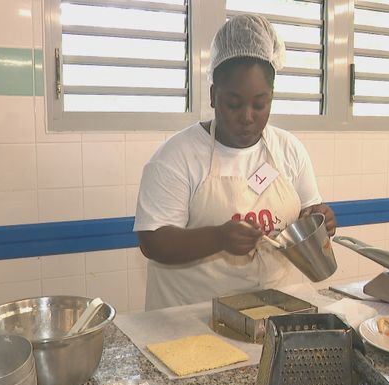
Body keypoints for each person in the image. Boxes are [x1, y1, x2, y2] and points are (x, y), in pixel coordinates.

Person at [134, 14, 336, 310]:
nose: (247, 116)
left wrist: (320, 219)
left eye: (259, 104)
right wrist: (217, 238)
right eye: (234, 103)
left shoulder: (288, 150)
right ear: (214, 96)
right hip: (192, 320)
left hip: (274, 311)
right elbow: (153, 242)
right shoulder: (176, 157)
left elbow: (306, 215)